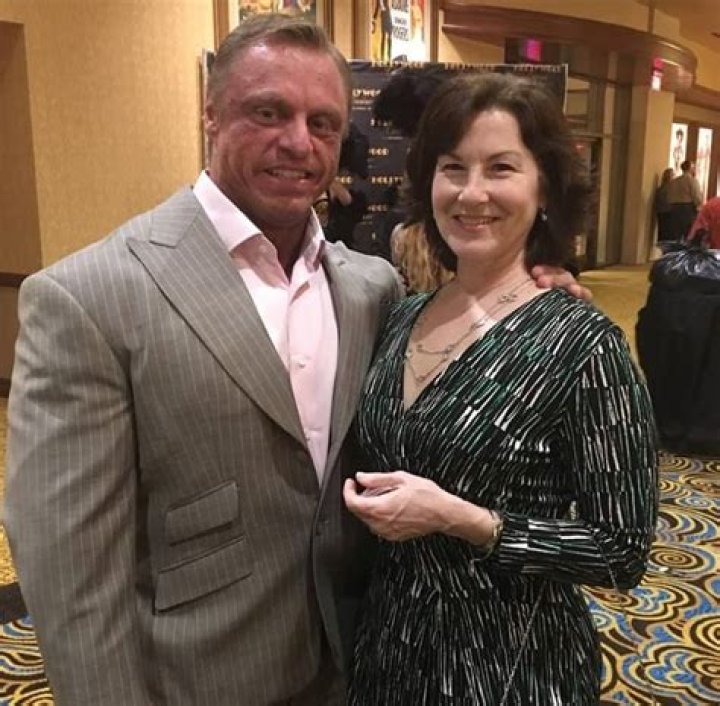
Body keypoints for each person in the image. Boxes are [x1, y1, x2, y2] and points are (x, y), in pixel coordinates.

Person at [5, 15, 586, 706]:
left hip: (363, 659)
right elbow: (70, 569)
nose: (298, 142)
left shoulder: (372, 289)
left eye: (323, 123)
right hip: (200, 681)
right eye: (268, 112)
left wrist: (532, 293)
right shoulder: (89, 297)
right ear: (211, 113)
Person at [343, 72, 658, 705]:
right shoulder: (402, 315)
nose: (472, 192)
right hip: (390, 648)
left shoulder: (582, 344)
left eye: (501, 168)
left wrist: (464, 520)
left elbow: (620, 551)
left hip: (509, 663)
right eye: (453, 168)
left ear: (545, 189)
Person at [667, 159, 704, 240]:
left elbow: (669, 196)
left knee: (676, 235)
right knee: (688, 235)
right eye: (693, 167)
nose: (694, 169)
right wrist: (699, 206)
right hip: (687, 209)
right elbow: (696, 196)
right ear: (690, 168)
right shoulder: (692, 180)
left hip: (674, 208)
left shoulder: (674, 181)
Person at [654, 167, 675, 243]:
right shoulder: (672, 188)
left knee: (662, 232)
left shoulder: (660, 189)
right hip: (669, 213)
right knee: (669, 234)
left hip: (661, 213)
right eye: (673, 175)